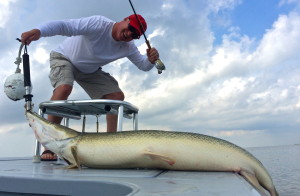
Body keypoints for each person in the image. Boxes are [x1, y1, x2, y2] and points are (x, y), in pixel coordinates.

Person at [21, 14, 160, 161]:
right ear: (125, 20)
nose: (130, 34)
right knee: (64, 88)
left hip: (88, 70)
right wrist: (39, 31)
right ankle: (49, 146)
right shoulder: (98, 24)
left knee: (116, 97)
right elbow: (64, 25)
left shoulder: (128, 47)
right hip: (64, 57)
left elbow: (143, 65)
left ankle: (110, 145)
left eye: (136, 35)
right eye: (131, 28)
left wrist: (151, 61)